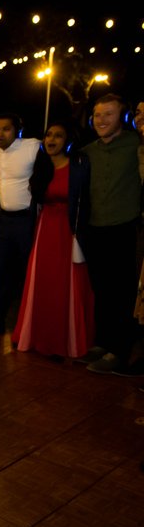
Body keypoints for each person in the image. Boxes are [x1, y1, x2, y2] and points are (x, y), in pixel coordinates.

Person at [13, 122, 93, 357]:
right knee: (42, 281)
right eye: (49, 135)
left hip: (68, 230)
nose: (52, 140)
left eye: (58, 135)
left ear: (67, 140)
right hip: (44, 230)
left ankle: (62, 341)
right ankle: (37, 336)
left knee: (65, 284)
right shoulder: (41, 168)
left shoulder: (78, 166)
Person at [0, 113, 53, 337]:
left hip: (27, 220)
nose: (0, 134)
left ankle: (29, 327)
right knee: (2, 273)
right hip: (4, 219)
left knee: (28, 275)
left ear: (17, 130)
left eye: (6, 129)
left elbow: (49, 172)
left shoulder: (33, 146)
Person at [80, 94, 142, 374]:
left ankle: (120, 350)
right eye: (97, 115)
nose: (102, 120)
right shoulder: (87, 151)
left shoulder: (136, 145)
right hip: (95, 228)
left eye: (109, 114)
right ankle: (103, 343)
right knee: (101, 289)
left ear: (123, 117)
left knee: (123, 292)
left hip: (125, 227)